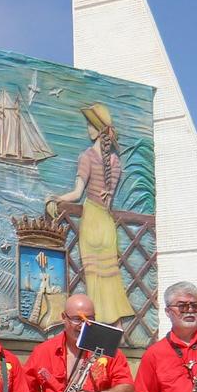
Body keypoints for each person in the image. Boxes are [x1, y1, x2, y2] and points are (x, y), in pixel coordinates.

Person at [47, 103, 133, 325]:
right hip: (107, 223)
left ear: (97, 129)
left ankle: (96, 322)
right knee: (110, 275)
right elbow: (109, 197)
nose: (87, 129)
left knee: (93, 277)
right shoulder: (115, 162)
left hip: (92, 219)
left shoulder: (86, 156)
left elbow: (76, 194)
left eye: (90, 125)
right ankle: (116, 324)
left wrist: (55, 198)